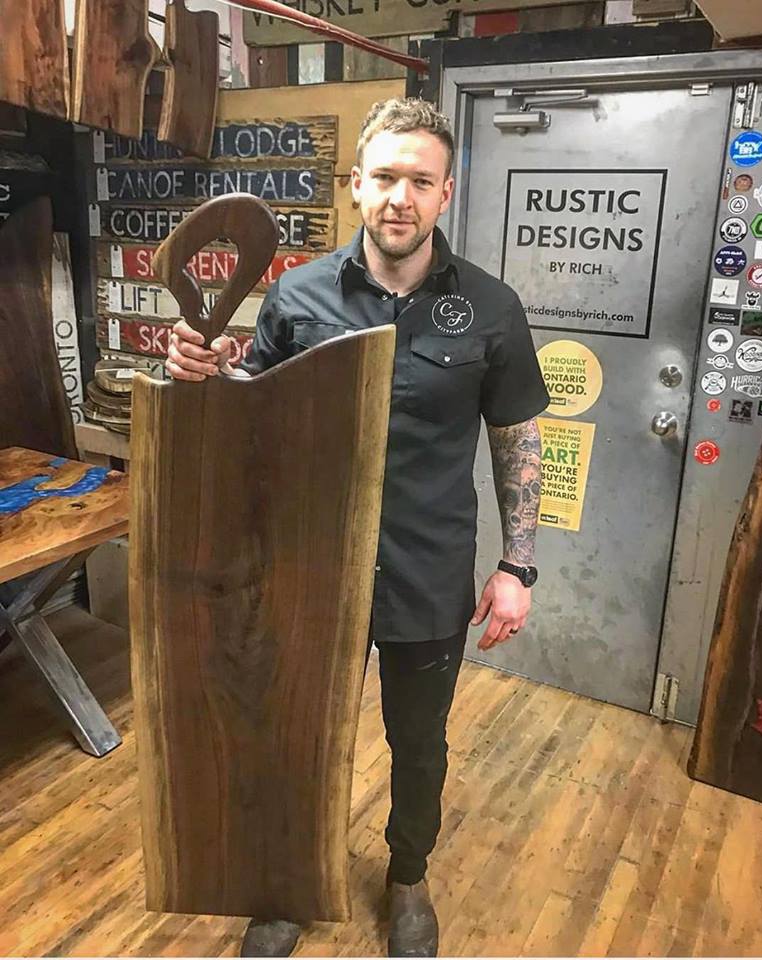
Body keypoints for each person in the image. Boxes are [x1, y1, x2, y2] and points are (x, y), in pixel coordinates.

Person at [166, 97, 548, 958]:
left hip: (427, 570)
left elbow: (516, 437)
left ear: (446, 192)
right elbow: (249, 409)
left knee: (418, 743)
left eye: (420, 180)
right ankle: (290, 880)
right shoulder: (297, 295)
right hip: (308, 568)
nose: (400, 198)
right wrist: (204, 368)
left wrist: (517, 565)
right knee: (295, 732)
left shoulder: (490, 308)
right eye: (384, 177)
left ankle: (407, 878)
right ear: (355, 185)